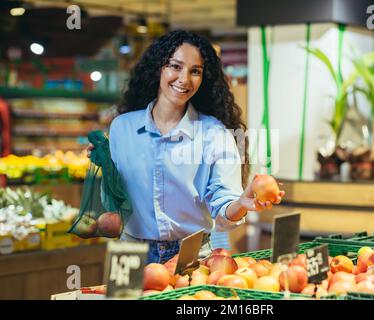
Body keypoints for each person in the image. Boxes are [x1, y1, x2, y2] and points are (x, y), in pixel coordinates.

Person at [88, 30, 284, 264]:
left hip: (191, 256)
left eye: (195, 71)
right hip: (131, 253)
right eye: (175, 66)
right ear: (158, 67)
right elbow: (115, 200)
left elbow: (223, 206)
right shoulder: (122, 128)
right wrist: (105, 166)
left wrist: (241, 203)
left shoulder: (214, 133)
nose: (184, 79)